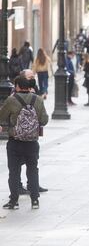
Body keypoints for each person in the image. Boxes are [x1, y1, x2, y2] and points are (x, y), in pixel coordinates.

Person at [1, 76, 49, 210]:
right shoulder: (38, 99)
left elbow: (1, 117)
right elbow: (44, 120)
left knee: (14, 172)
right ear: (29, 86)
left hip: (15, 142)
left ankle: (13, 201)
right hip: (32, 142)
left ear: (17, 86)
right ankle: (34, 200)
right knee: (33, 170)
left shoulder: (12, 100)